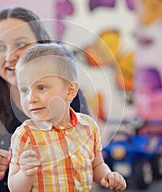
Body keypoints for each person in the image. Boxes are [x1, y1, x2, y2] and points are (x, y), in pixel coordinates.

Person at [0, 7, 89, 192]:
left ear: (42, 46)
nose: (10, 57)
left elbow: (89, 165)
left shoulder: (69, 94)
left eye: (21, 44)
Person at [8, 43, 126, 192]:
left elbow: (97, 165)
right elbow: (14, 187)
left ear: (70, 91)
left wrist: (107, 175)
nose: (30, 98)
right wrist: (25, 174)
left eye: (41, 87)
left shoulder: (88, 126)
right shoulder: (25, 135)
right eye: (24, 90)